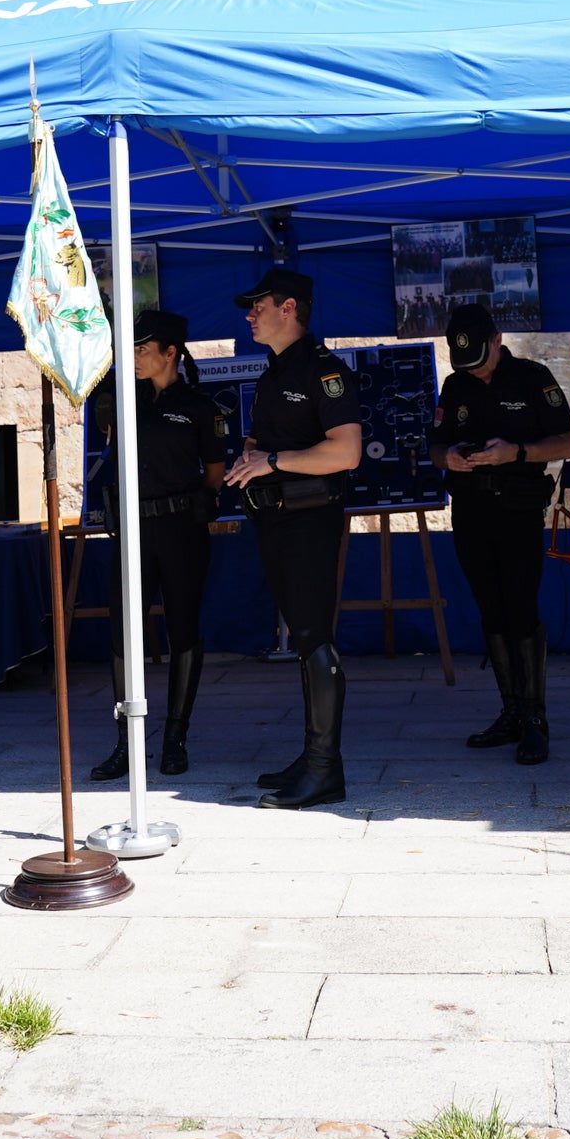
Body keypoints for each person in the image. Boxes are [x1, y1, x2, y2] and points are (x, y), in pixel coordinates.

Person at [224, 266, 360, 810]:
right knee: (304, 641)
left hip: (310, 519)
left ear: (289, 308)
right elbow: (265, 438)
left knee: (314, 638)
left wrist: (274, 461)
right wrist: (254, 456)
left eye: (258, 304)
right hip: (276, 520)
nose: (249, 314)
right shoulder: (272, 373)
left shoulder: (325, 371)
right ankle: (312, 756)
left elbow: (345, 452)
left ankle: (326, 770)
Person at [86, 307, 228, 781]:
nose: (135, 357)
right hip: (132, 532)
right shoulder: (124, 401)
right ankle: (126, 743)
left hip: (181, 531)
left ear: (170, 353)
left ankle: (175, 739)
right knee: (124, 636)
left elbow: (214, 476)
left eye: (143, 349)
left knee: (183, 630)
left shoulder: (199, 409)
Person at [430, 303, 570, 764]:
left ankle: (536, 719)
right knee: (490, 610)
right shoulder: (455, 386)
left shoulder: (534, 378)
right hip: (471, 510)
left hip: (517, 510)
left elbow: (566, 443)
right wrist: (449, 456)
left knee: (520, 607)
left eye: (480, 357)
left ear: (496, 341)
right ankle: (510, 711)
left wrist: (514, 452)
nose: (474, 370)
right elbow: (433, 443)